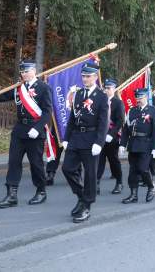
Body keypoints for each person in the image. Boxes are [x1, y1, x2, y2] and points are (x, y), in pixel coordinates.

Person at [0, 60, 53, 208]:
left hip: (35, 131)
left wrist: (37, 128)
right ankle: (11, 195)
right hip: (19, 129)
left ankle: (41, 191)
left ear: (34, 70)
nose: (24, 74)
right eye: (22, 72)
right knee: (13, 162)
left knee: (36, 163)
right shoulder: (19, 87)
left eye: (26, 71)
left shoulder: (43, 88)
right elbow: (3, 96)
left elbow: (47, 112)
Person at [61, 62, 109, 223]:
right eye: (83, 76)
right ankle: (82, 196)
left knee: (90, 174)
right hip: (76, 137)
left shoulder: (102, 97)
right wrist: (66, 138)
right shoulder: (79, 94)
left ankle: (86, 206)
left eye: (88, 76)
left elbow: (104, 122)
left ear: (95, 77)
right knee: (67, 168)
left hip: (92, 139)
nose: (84, 78)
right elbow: (72, 119)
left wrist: (99, 142)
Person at [120, 88, 155, 204]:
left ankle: (151, 186)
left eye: (141, 97)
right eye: (137, 98)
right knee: (132, 170)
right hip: (133, 144)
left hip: (146, 144)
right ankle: (133, 195)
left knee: (143, 168)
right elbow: (126, 129)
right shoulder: (132, 111)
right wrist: (123, 144)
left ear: (146, 97)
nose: (138, 100)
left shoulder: (153, 111)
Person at [96, 78, 125, 195]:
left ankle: (119, 182)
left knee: (114, 160)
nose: (107, 90)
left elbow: (120, 121)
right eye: (105, 88)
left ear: (114, 89)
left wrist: (111, 134)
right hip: (100, 136)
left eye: (109, 88)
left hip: (112, 137)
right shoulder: (100, 101)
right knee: (99, 160)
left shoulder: (118, 103)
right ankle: (96, 183)